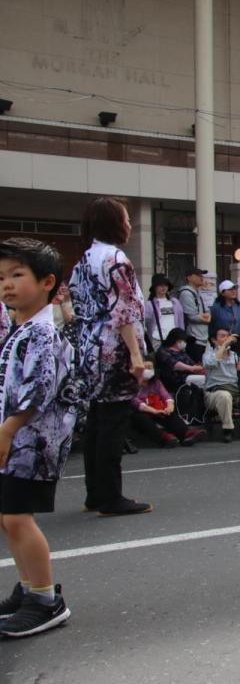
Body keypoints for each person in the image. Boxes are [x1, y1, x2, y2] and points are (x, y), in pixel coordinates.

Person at [0, 238, 76, 637]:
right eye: (2, 277)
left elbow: (39, 389)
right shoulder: (20, 329)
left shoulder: (42, 333)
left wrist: (8, 429)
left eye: (17, 275)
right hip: (14, 438)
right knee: (7, 516)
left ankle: (47, 600)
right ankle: (29, 589)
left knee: (16, 515)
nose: (7, 285)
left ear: (47, 282)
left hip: (32, 441)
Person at [68, 196, 152, 517]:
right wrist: (135, 354)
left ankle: (95, 492)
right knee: (114, 422)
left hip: (89, 346)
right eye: (126, 218)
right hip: (113, 347)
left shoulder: (84, 260)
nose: (129, 224)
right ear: (113, 223)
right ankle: (111, 497)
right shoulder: (116, 259)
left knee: (97, 421)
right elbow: (125, 311)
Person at [131, 360, 204, 447]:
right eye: (146, 367)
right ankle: (164, 438)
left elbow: (166, 396)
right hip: (141, 411)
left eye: (150, 368)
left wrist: (170, 406)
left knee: (169, 413)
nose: (148, 370)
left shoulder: (156, 383)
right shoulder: (131, 384)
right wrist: (153, 411)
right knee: (140, 418)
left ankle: (186, 434)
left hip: (156, 409)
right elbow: (134, 401)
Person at [177, 267, 211, 362]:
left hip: (202, 337)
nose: (201, 277)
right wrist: (208, 319)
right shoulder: (186, 293)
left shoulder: (196, 293)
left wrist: (205, 316)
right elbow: (192, 316)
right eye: (198, 275)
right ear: (189, 277)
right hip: (194, 338)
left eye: (201, 275)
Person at [142, 274, 183, 353]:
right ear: (155, 287)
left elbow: (180, 321)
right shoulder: (149, 304)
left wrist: (182, 337)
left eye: (166, 285)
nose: (163, 287)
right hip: (157, 339)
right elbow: (145, 324)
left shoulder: (175, 302)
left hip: (174, 340)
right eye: (160, 285)